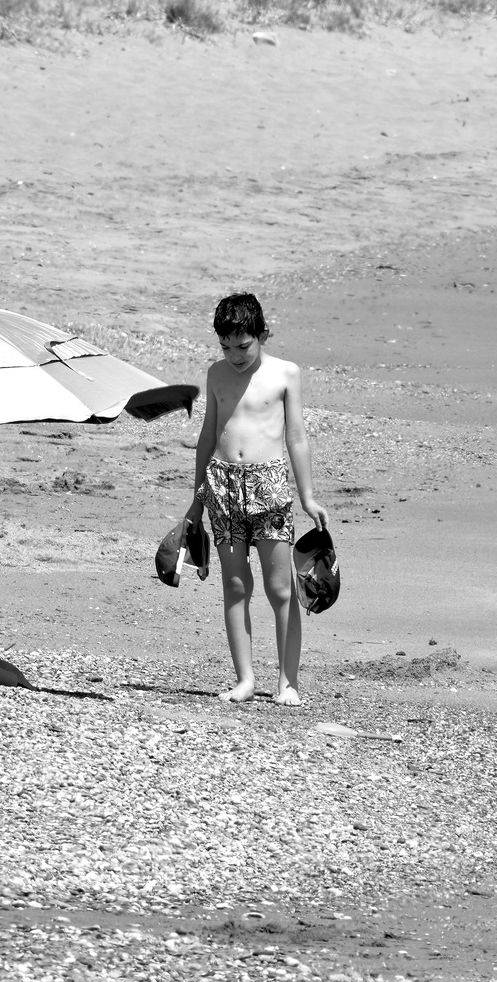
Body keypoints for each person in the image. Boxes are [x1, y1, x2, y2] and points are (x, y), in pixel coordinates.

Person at [184, 292, 327, 706]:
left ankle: (287, 682)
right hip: (223, 486)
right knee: (234, 585)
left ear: (262, 334)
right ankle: (245, 679)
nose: (234, 356)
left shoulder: (286, 373)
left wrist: (308, 496)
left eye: (243, 346)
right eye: (225, 347)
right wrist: (197, 499)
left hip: (270, 486)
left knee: (280, 588)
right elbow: (208, 436)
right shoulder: (216, 374)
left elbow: (296, 438)